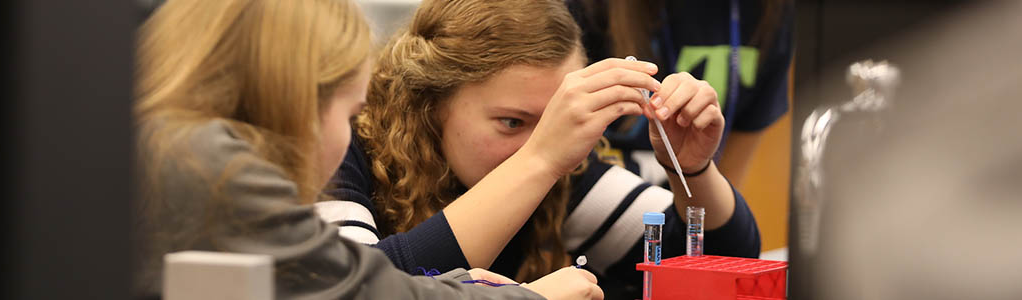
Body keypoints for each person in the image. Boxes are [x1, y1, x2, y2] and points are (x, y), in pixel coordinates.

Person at [132, 0, 603, 299]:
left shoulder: (167, 144)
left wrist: (680, 168)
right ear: (295, 97)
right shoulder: (215, 166)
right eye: (348, 110)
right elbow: (358, 287)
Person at [322, 0, 760, 297]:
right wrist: (541, 159)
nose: (544, 139)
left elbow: (725, 269)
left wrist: (695, 170)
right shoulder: (338, 151)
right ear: (430, 107)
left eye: (555, 119)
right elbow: (354, 286)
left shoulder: (561, 172)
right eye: (512, 122)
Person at [567, 0, 795, 186]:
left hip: (685, 212)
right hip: (585, 205)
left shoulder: (770, 14)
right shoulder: (583, 9)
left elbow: (728, 184)